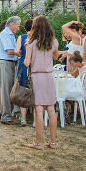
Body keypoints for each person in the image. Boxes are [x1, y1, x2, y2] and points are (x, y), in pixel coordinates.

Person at [23, 15, 61, 150]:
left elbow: (27, 62)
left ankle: (38, 142)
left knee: (39, 109)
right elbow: (55, 56)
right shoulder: (53, 41)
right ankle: (53, 141)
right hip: (49, 76)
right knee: (51, 108)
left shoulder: (30, 42)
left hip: (37, 76)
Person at [0, 16, 21, 125]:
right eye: (18, 26)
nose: (18, 28)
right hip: (6, 62)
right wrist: (19, 52)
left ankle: (4, 111)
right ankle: (6, 116)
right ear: (12, 25)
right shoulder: (6, 34)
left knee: (8, 88)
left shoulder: (8, 34)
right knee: (7, 90)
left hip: (8, 62)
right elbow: (10, 51)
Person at [15, 18, 34, 126]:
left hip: (23, 63)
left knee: (23, 89)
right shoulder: (38, 38)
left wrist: (20, 55)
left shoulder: (22, 37)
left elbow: (17, 51)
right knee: (34, 90)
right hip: (33, 64)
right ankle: (36, 119)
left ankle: (23, 118)